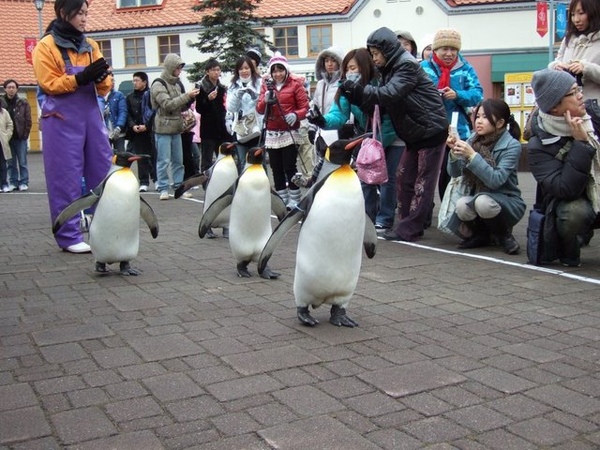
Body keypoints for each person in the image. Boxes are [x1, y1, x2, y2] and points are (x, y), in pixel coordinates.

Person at [339, 27, 448, 242]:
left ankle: (411, 228)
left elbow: (389, 94)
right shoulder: (390, 67)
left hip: (431, 130)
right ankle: (407, 222)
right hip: (414, 132)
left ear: (387, 50)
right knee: (403, 179)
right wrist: (355, 95)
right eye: (372, 54)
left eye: (376, 53)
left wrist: (359, 91)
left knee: (422, 183)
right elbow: (379, 100)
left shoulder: (406, 65)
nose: (374, 58)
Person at [32, 0, 112, 253]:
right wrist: (80, 78)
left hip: (91, 115)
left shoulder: (90, 46)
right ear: (63, 13)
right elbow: (48, 83)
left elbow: (104, 86)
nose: (84, 18)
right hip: (61, 119)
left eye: (86, 13)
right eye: (79, 13)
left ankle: (103, 227)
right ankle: (68, 235)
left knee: (102, 171)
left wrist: (101, 80)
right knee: (64, 177)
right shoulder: (45, 46)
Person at [308, 48, 403, 229]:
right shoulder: (346, 89)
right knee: (365, 177)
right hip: (367, 137)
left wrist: (379, 144)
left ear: (365, 66)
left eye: (354, 68)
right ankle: (367, 215)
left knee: (387, 178)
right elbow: (339, 115)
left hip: (391, 138)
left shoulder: (381, 85)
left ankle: (385, 216)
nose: (350, 72)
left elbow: (389, 118)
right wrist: (321, 120)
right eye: (348, 69)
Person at [527, 69, 600, 267]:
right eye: (573, 92)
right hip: (570, 200)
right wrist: (581, 145)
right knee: (573, 213)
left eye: (579, 89)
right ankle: (568, 250)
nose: (580, 95)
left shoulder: (594, 116)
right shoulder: (539, 143)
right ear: (554, 108)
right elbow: (564, 189)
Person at [445, 99, 525, 254]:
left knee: (483, 202)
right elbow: (455, 174)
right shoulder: (473, 139)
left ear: (500, 122)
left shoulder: (512, 145)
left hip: (506, 200)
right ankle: (481, 235)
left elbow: (496, 180)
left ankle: (505, 236)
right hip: (478, 197)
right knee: (462, 205)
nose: (479, 121)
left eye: (485, 117)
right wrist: (454, 153)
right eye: (478, 116)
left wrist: (473, 157)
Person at [421, 28, 483, 203]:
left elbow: (477, 94)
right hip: (428, 129)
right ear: (435, 50)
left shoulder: (465, 69)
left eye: (453, 49)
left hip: (457, 130)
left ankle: (450, 211)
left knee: (451, 172)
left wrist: (457, 95)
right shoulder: (423, 68)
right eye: (444, 49)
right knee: (426, 173)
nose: (449, 53)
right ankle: (423, 214)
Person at [256, 53, 309, 209]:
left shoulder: (295, 84)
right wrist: (265, 100)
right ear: (270, 72)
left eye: (281, 70)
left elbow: (305, 107)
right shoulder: (266, 85)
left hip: (289, 132)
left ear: (286, 70)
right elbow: (259, 109)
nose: (278, 74)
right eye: (274, 71)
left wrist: (296, 115)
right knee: (276, 168)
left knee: (290, 166)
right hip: (272, 133)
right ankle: (282, 198)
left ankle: (295, 199)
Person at [151, 53, 199, 200]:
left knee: (178, 160)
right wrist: (186, 96)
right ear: (171, 67)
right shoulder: (158, 84)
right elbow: (167, 104)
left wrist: (192, 98)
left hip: (177, 128)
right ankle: (163, 188)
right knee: (163, 160)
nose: (180, 71)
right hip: (163, 128)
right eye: (178, 68)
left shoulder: (177, 84)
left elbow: (181, 106)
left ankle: (179, 187)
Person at [548, 0, 600, 132]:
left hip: (595, 109)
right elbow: (555, 63)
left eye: (581, 13)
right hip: (569, 110)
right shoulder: (568, 39)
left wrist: (586, 68)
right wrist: (556, 66)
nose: (576, 19)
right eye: (572, 14)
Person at [226, 55, 262, 173]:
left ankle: (262, 188)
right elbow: (231, 108)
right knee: (242, 161)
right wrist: (238, 95)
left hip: (257, 128)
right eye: (241, 69)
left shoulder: (260, 83)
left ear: (252, 68)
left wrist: (254, 96)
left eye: (246, 68)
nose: (244, 71)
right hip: (240, 129)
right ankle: (244, 189)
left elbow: (263, 105)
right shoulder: (233, 86)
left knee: (258, 161)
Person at [196, 58, 231, 176]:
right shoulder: (201, 88)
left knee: (223, 159)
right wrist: (208, 99)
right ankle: (206, 184)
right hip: (208, 130)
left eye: (218, 70)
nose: (216, 72)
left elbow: (225, 108)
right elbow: (199, 109)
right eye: (213, 70)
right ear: (207, 72)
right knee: (207, 160)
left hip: (221, 129)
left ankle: (221, 183)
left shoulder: (222, 88)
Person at [125, 71, 155, 192]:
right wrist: (133, 126)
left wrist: (147, 125)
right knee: (140, 157)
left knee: (153, 155)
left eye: (137, 80)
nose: (134, 83)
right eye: (134, 80)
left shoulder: (151, 95)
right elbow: (128, 114)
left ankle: (156, 179)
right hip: (136, 131)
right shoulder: (130, 97)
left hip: (150, 129)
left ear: (144, 82)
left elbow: (154, 112)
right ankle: (143, 181)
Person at [309, 46, 344, 147]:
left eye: (333, 60)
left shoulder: (344, 83)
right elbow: (314, 108)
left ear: (339, 62)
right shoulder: (320, 84)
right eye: (326, 61)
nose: (329, 64)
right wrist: (312, 128)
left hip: (340, 132)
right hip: (322, 132)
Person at [1, 80, 32, 192]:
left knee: (22, 162)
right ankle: (13, 182)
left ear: (17, 89)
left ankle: (24, 182)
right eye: (9, 87)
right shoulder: (1, 102)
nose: (11, 89)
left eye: (13, 87)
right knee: (10, 162)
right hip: (6, 139)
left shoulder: (23, 102)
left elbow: (28, 120)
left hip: (20, 137)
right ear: (5, 89)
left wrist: (25, 135)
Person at [105, 74, 127, 152]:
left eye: (113, 80)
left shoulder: (119, 95)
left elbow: (123, 112)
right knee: (104, 157)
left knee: (121, 156)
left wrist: (119, 126)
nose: (113, 83)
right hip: (104, 133)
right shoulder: (98, 96)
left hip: (118, 132)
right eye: (111, 80)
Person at [0, 102, 13, 192]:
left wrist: (6, 136)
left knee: (3, 165)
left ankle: (4, 184)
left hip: (2, 142)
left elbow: (10, 125)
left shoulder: (4, 112)